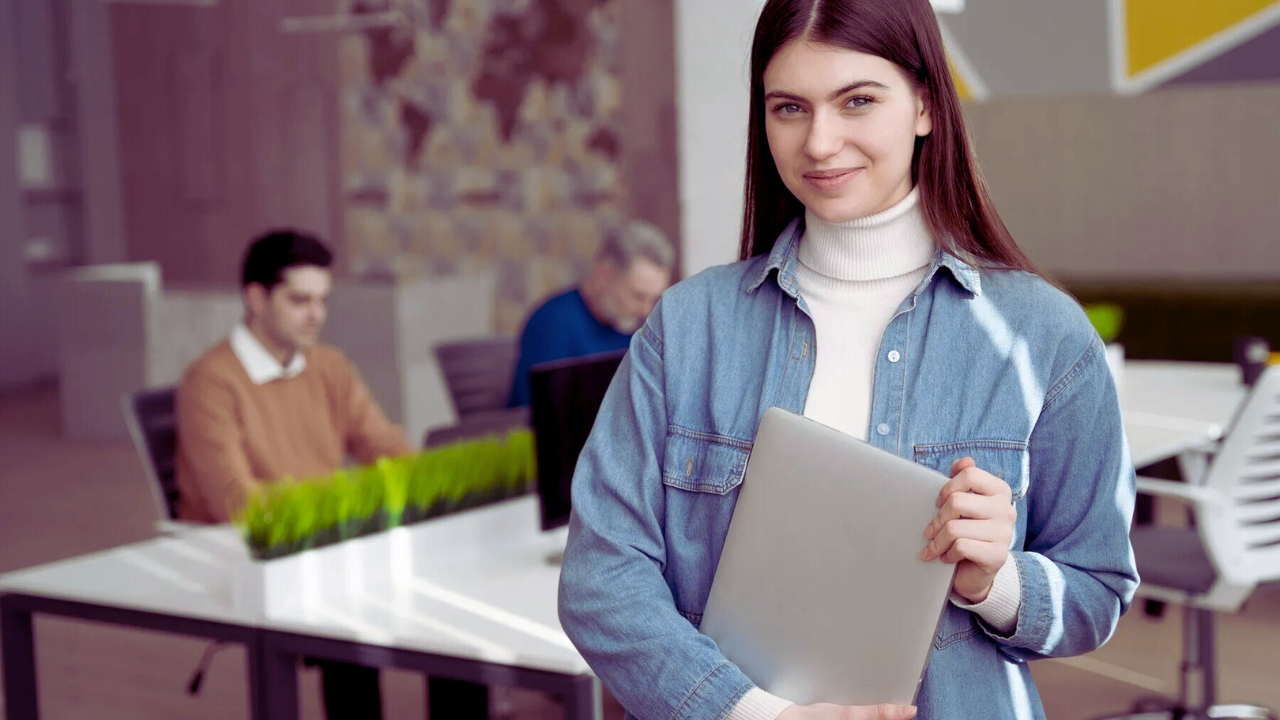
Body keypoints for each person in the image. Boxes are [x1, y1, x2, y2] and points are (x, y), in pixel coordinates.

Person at [556, 1, 1139, 719]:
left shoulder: (1042, 336)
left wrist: (995, 581)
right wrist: (753, 715)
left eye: (857, 100)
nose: (820, 142)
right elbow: (600, 581)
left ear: (926, 104)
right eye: (789, 108)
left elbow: (1099, 589)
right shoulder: (687, 329)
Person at [175, 229, 487, 720]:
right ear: (255, 298)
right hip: (257, 558)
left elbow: (382, 444)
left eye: (323, 300)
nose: (316, 315)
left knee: (452, 615)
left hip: (328, 545)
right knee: (355, 626)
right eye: (300, 301)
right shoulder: (210, 382)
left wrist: (434, 483)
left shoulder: (327, 365)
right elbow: (236, 502)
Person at [507, 220, 674, 407]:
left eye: (654, 299)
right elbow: (539, 413)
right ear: (603, 276)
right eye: (637, 296)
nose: (646, 310)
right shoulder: (552, 323)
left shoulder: (638, 329)